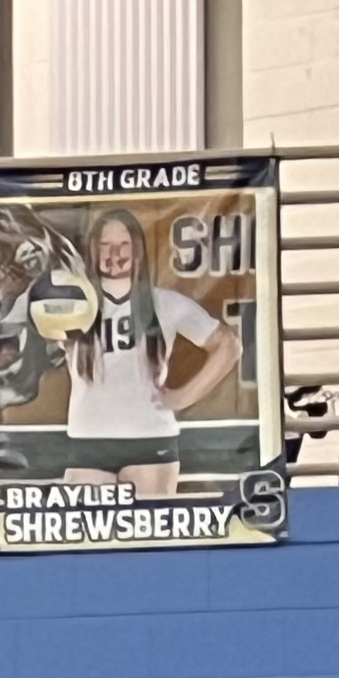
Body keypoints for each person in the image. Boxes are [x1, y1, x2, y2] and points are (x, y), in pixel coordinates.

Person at [61, 206, 244, 497]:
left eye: (123, 245)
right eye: (105, 245)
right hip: (87, 439)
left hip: (149, 439)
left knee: (151, 536)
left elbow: (229, 345)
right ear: (93, 252)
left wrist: (183, 396)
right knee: (88, 537)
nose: (114, 253)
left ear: (138, 252)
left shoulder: (165, 303)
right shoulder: (72, 306)